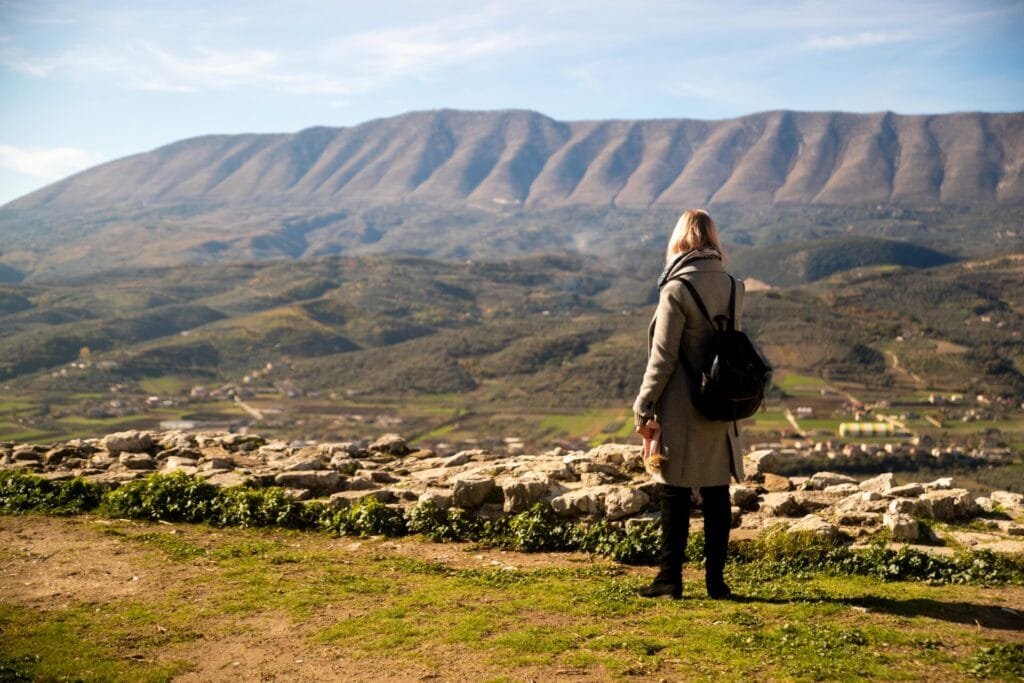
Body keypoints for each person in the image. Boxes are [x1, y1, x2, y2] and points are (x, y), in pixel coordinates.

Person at [632, 209, 745, 600]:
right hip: (720, 400)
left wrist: (643, 404)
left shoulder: (676, 289)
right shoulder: (734, 286)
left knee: (674, 494)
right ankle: (716, 582)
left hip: (681, 405)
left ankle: (669, 580)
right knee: (716, 493)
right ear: (713, 239)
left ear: (679, 241)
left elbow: (662, 358)